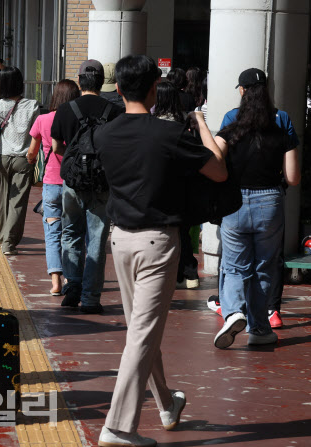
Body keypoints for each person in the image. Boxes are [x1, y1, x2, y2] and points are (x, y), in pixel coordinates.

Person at [94, 54, 227, 447]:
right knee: (142, 335)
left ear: (118, 89)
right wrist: (202, 123)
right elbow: (218, 171)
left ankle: (167, 405)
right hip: (157, 242)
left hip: (119, 240)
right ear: (154, 89)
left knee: (141, 332)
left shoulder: (104, 134)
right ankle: (117, 427)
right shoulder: (168, 134)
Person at [212, 68, 300, 349]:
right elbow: (293, 177)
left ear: (242, 91)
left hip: (235, 201)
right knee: (263, 268)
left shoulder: (231, 119)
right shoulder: (282, 119)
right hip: (270, 202)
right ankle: (259, 329)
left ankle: (234, 311)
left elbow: (214, 161)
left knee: (235, 265)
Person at [50, 59, 123, 313]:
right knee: (97, 238)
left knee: (70, 233)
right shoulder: (114, 111)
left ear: (79, 81)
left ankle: (72, 288)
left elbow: (57, 146)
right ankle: (91, 298)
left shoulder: (65, 110)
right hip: (102, 184)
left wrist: (74, 162)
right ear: (102, 82)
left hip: (73, 184)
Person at [27, 79, 80, 295]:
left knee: (52, 233)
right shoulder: (77, 119)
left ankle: (55, 282)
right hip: (72, 184)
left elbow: (31, 152)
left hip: (50, 184)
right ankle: (72, 276)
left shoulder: (42, 119)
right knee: (73, 232)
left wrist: (32, 160)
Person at [0, 66, 40, 255]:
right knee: (17, 201)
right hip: (24, 159)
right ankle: (9, 242)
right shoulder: (33, 105)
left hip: (1, 157)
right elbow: (35, 135)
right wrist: (33, 156)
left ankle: (1, 236)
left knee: (2, 198)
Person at [153, 81, 200, 290]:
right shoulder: (184, 121)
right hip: (185, 184)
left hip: (161, 185)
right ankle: (189, 273)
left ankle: (171, 275)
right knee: (182, 231)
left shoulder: (153, 123)